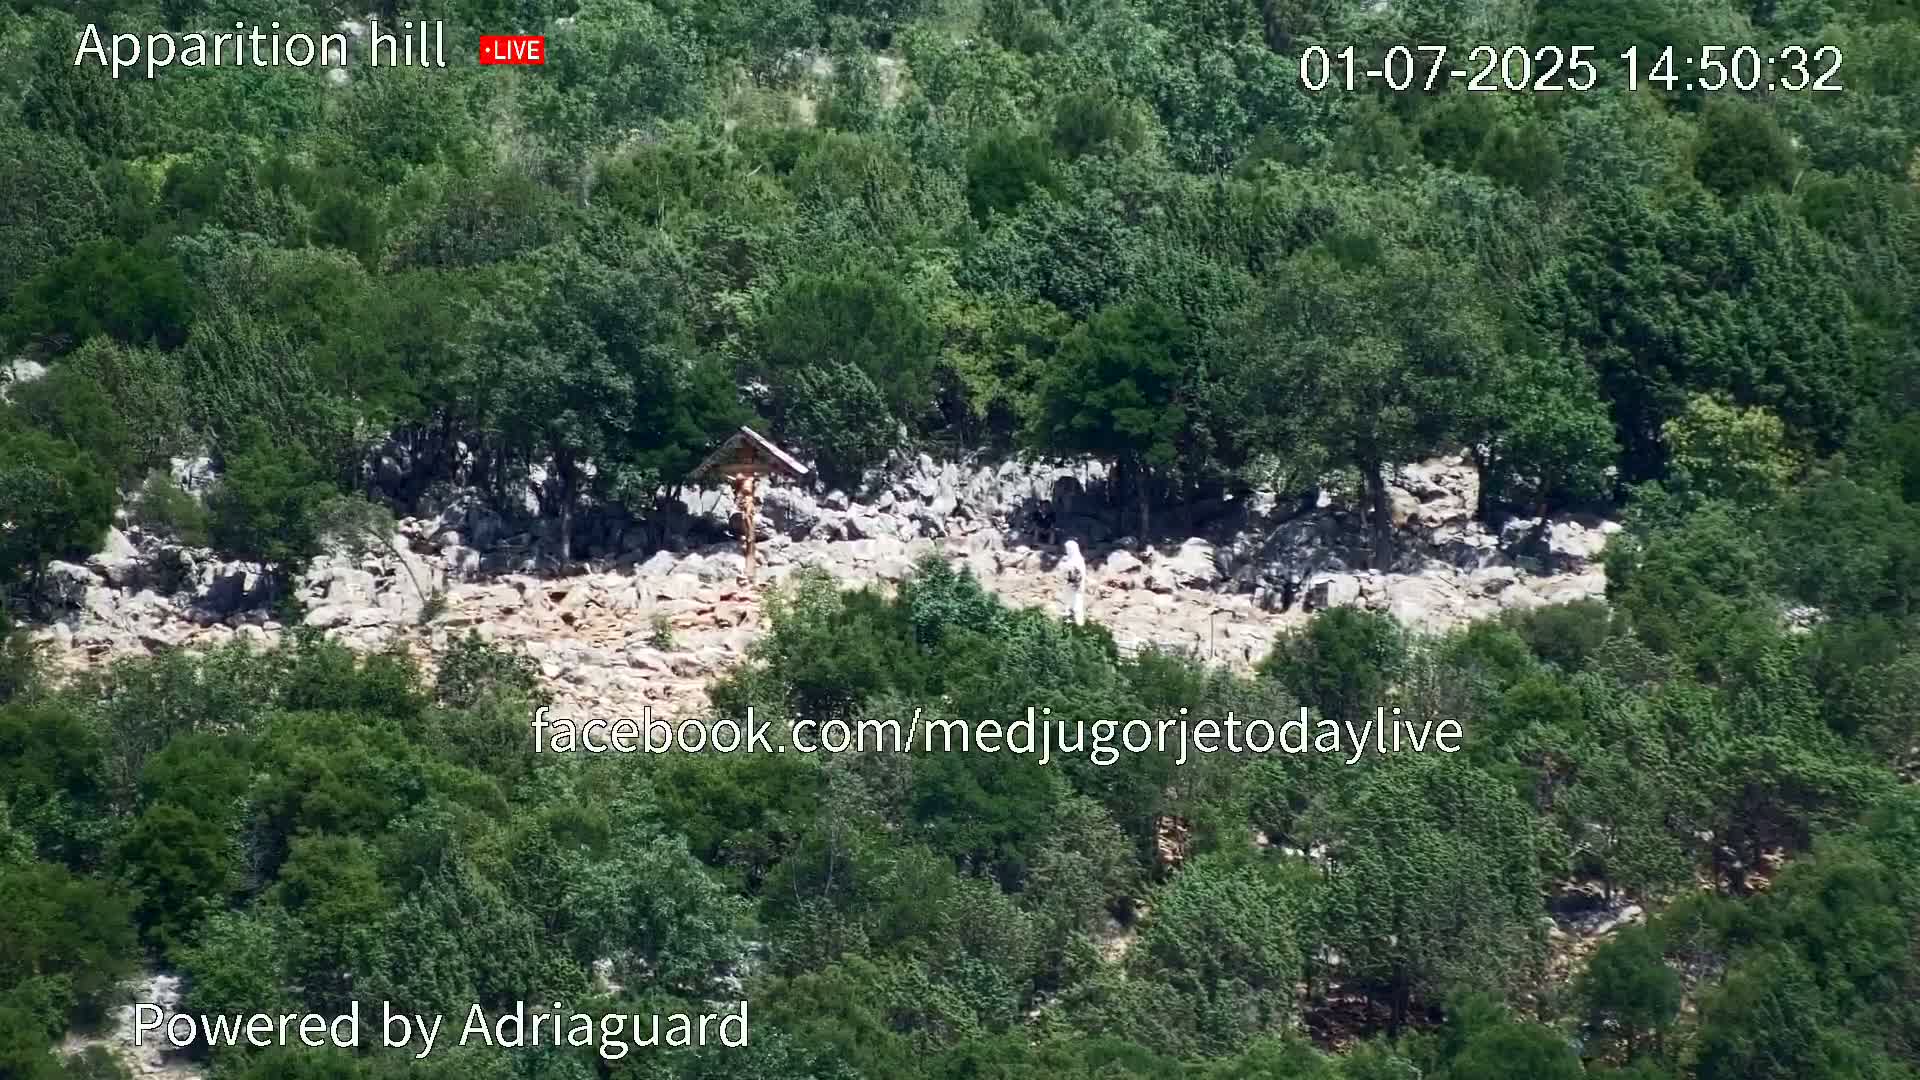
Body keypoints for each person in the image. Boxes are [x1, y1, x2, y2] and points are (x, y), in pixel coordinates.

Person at [1061, 539, 1087, 626]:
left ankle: (1078, 625)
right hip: (1069, 586)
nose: (1067, 551)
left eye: (1068, 549)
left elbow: (1078, 573)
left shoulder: (1078, 559)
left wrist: (1074, 582)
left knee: (1077, 605)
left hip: (1076, 587)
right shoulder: (1069, 559)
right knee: (1068, 605)